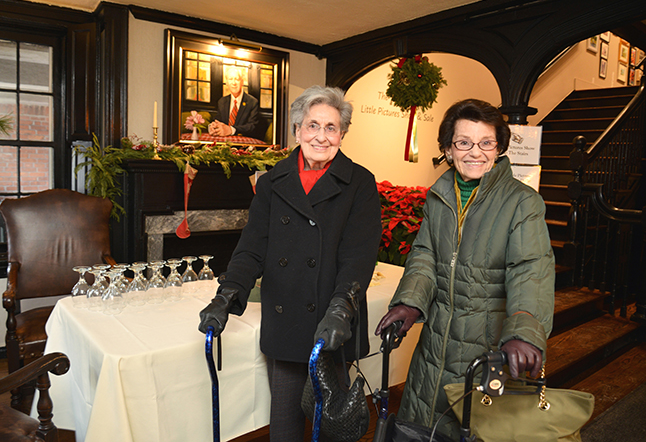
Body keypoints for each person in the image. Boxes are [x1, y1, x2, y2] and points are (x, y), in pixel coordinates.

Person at [199, 86, 382, 441]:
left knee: (330, 425)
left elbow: (358, 257)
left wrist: (343, 308)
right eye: (313, 125)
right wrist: (228, 294)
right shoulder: (272, 183)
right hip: (285, 323)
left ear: (342, 134)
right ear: (297, 130)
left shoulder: (360, 183)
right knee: (283, 425)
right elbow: (252, 248)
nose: (321, 136)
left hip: (332, 322)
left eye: (331, 127)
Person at [375, 99, 555, 439]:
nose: (476, 152)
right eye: (463, 142)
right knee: (422, 428)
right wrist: (410, 301)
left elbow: (530, 269)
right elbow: (425, 254)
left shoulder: (522, 202)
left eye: (486, 142)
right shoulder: (438, 195)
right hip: (434, 346)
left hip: (486, 351)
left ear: (500, 147)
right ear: (447, 148)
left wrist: (524, 332)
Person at [208, 66, 261, 138]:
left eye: (237, 79)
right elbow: (217, 120)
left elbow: (252, 127)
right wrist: (212, 126)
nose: (233, 83)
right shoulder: (222, 101)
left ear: (242, 82)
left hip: (243, 144)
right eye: (230, 79)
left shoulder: (252, 102)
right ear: (226, 83)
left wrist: (231, 130)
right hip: (224, 143)